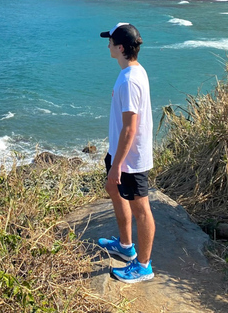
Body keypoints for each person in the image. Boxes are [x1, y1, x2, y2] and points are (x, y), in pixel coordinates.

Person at [98, 22, 155, 283]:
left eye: (110, 41)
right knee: (113, 189)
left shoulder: (130, 80)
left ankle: (143, 266)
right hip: (120, 153)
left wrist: (117, 164)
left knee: (141, 208)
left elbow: (130, 129)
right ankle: (125, 244)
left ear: (120, 47)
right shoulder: (132, 72)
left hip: (130, 159)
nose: (107, 44)